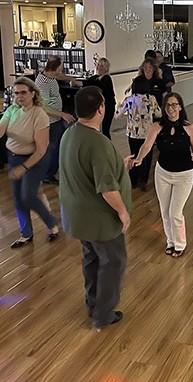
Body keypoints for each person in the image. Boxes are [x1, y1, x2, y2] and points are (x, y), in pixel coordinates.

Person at [59, 86, 133, 330]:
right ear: (101, 109)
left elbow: (86, 169)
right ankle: (103, 314)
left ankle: (93, 304)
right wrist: (122, 212)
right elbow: (106, 188)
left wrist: (119, 165)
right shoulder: (97, 143)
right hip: (99, 220)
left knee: (91, 259)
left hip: (78, 217)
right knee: (113, 262)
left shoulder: (70, 133)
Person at [133, 93, 193, 257]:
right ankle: (171, 241)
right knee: (165, 211)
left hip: (184, 175)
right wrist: (139, 159)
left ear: (180, 107)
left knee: (175, 212)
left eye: (174, 104)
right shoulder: (156, 127)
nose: (171, 108)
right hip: (163, 173)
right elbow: (147, 146)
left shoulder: (189, 127)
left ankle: (180, 244)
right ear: (164, 108)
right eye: (168, 105)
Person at [0, 77, 59, 248]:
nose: (19, 96)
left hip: (35, 158)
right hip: (14, 157)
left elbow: (41, 149)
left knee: (28, 195)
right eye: (16, 93)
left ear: (33, 93)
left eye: (23, 92)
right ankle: (26, 234)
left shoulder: (39, 114)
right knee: (18, 199)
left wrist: (23, 167)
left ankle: (51, 223)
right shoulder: (12, 110)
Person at [115, 77, 162, 190]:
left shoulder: (129, 99)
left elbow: (117, 115)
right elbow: (159, 114)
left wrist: (119, 106)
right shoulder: (152, 99)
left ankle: (133, 181)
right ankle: (143, 181)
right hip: (148, 134)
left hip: (133, 133)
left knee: (134, 155)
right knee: (147, 157)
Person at [35, 56, 76, 185]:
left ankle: (51, 171)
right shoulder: (42, 83)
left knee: (58, 145)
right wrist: (63, 114)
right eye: (61, 66)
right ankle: (47, 174)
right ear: (56, 68)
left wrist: (71, 79)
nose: (62, 69)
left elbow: (59, 76)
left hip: (56, 119)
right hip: (49, 121)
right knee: (52, 148)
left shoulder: (51, 76)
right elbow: (43, 106)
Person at [85, 57, 116, 139]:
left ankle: (107, 146)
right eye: (98, 65)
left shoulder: (106, 78)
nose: (99, 67)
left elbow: (98, 85)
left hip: (108, 107)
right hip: (100, 107)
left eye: (102, 66)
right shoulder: (95, 77)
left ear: (106, 68)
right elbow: (87, 83)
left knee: (105, 130)